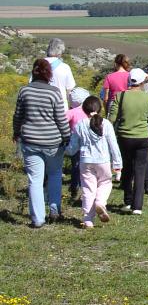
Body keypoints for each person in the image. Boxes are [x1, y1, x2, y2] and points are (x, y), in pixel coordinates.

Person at [13, 59, 71, 227]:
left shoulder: (24, 91)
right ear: (49, 74)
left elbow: (18, 116)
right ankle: (54, 209)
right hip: (53, 142)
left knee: (35, 180)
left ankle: (38, 219)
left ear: (33, 72)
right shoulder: (54, 92)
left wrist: (16, 132)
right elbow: (61, 119)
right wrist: (67, 137)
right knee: (54, 174)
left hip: (30, 141)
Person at [107, 67, 148, 215]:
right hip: (142, 137)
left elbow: (112, 118)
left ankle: (128, 201)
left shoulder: (120, 96)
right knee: (140, 170)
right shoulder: (147, 98)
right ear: (142, 81)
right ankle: (137, 206)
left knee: (127, 169)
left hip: (125, 137)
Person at [65, 96, 122, 228]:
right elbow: (113, 145)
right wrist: (117, 163)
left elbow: (73, 148)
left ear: (84, 110)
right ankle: (100, 202)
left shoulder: (80, 124)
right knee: (105, 183)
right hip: (103, 160)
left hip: (86, 161)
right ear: (100, 108)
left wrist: (64, 150)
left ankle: (88, 219)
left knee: (88, 189)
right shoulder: (106, 124)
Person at [66, 87, 91, 202]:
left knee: (75, 166)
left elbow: (62, 122)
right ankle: (84, 189)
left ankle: (74, 188)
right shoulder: (89, 112)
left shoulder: (71, 112)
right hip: (88, 143)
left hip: (74, 142)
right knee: (85, 167)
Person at [43, 38, 76, 113]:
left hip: (41, 108)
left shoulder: (38, 65)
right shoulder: (65, 67)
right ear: (59, 52)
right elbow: (69, 90)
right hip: (60, 107)